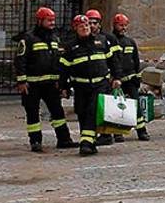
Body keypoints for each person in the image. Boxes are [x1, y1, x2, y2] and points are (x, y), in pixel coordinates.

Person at [14, 7, 75, 152]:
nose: (52, 23)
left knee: (58, 112)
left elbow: (58, 60)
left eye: (53, 20)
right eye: (49, 20)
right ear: (40, 21)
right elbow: (20, 60)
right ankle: (35, 141)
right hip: (32, 84)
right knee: (32, 113)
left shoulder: (55, 38)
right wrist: (22, 81)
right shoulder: (28, 38)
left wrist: (61, 82)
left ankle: (64, 139)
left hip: (50, 84)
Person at [60, 14, 119, 156]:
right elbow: (63, 69)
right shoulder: (70, 47)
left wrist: (117, 77)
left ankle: (85, 143)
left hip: (100, 85)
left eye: (87, 25)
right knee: (82, 112)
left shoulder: (102, 41)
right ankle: (90, 142)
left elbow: (113, 61)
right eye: (82, 26)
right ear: (76, 29)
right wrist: (64, 87)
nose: (85, 28)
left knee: (92, 112)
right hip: (80, 86)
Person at [86, 9, 121, 145]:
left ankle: (110, 134)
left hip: (106, 79)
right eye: (89, 23)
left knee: (107, 108)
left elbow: (116, 59)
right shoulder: (84, 39)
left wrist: (116, 76)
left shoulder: (108, 39)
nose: (92, 25)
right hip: (92, 80)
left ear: (99, 23)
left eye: (94, 23)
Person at [112, 13, 149, 141]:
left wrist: (137, 77)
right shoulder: (111, 41)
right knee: (117, 107)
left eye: (125, 25)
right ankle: (117, 132)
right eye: (120, 25)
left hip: (130, 79)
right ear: (115, 25)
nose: (123, 28)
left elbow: (136, 61)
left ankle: (142, 131)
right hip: (117, 81)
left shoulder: (130, 42)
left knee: (136, 106)